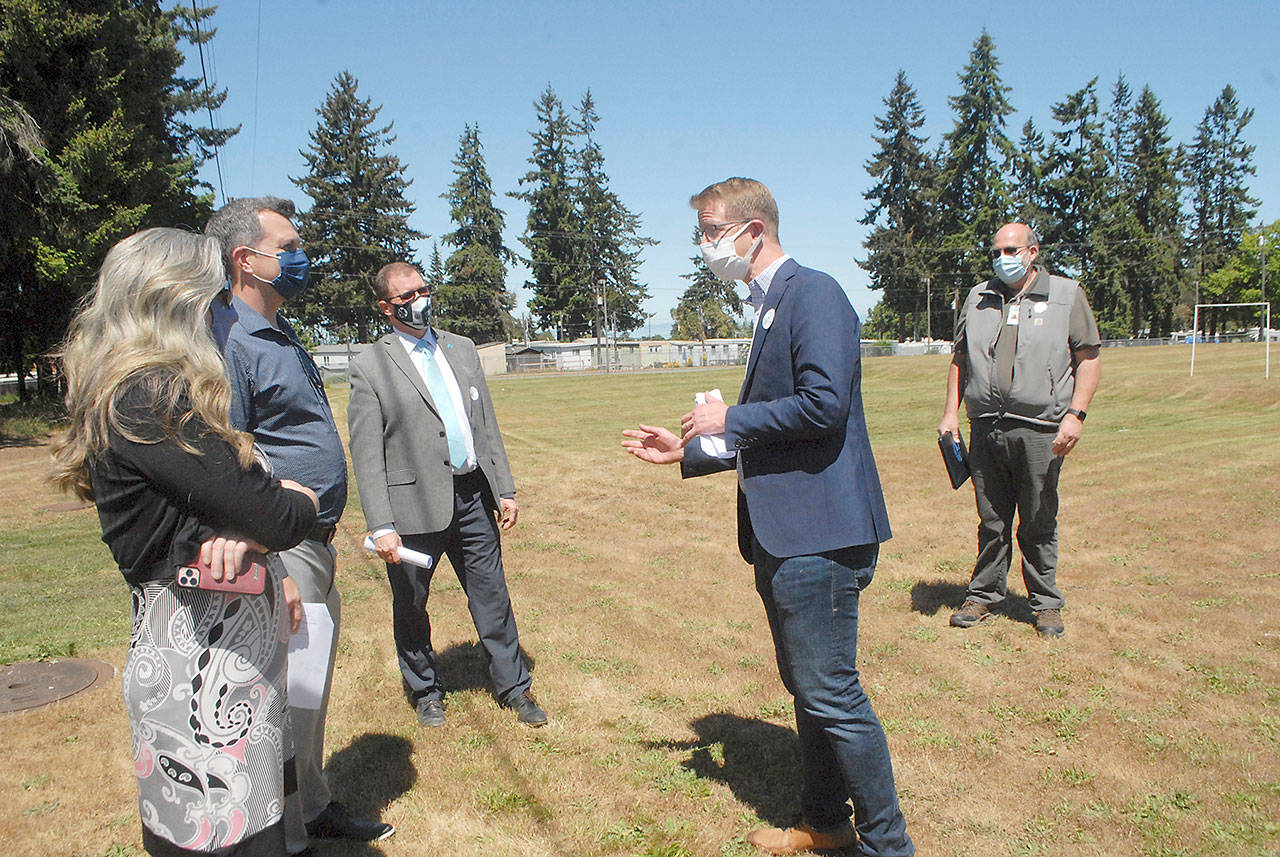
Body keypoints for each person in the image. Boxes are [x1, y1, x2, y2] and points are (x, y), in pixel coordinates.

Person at [622, 178, 913, 856]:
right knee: (810, 691)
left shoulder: (813, 292)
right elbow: (782, 434)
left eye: (711, 231)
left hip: (821, 536)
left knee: (833, 694)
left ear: (754, 229)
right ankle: (826, 824)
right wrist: (690, 450)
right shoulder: (768, 305)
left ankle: (889, 845)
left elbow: (824, 405)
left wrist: (731, 416)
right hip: (783, 534)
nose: (703, 246)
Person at [51, 228, 321, 856]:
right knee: (223, 838)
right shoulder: (148, 397)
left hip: (217, 665)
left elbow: (223, 508)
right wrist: (296, 500)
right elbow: (277, 514)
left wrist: (243, 530)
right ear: (175, 300)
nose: (218, 309)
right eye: (211, 295)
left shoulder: (134, 394)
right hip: (198, 678)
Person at [205, 198, 393, 849]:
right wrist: (274, 559)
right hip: (282, 551)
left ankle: (310, 806)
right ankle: (284, 833)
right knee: (283, 702)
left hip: (312, 542)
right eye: (285, 246)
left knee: (308, 692)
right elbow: (228, 455)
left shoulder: (278, 332)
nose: (299, 256)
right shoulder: (231, 340)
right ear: (244, 260)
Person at [346, 262, 546, 729]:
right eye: (405, 297)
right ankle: (425, 691)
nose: (418, 301)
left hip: (473, 496)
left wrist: (505, 488)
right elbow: (367, 453)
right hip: (410, 509)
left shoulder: (461, 348)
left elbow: (486, 426)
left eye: (422, 290)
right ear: (386, 308)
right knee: (412, 606)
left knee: (492, 596)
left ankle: (514, 687)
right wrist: (380, 525)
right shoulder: (369, 366)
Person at [938, 222, 1101, 638]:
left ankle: (1045, 603)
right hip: (986, 427)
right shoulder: (978, 298)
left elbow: (1088, 358)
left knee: (1037, 518)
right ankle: (983, 595)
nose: (1002, 258)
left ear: (1033, 252)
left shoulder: (1066, 295)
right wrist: (951, 414)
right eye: (996, 251)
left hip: (1041, 429)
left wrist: (1075, 415)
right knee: (991, 520)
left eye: (1011, 250)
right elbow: (961, 359)